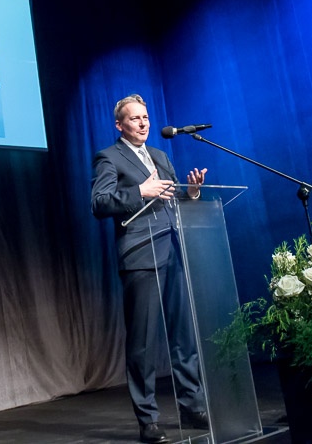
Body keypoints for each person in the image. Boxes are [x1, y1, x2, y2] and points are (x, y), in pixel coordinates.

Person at [91, 94, 209, 444]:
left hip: (171, 250)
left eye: (145, 117)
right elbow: (99, 203)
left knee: (183, 337)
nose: (143, 123)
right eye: (135, 118)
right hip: (140, 255)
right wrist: (140, 191)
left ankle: (192, 406)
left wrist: (191, 193)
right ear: (120, 125)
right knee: (142, 344)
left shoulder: (160, 155)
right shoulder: (109, 157)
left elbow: (170, 202)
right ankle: (147, 419)